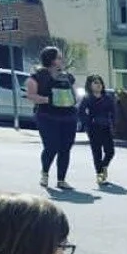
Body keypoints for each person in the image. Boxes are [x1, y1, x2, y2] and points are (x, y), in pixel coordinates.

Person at [25, 46, 77, 191]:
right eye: (59, 57)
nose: (62, 60)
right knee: (51, 146)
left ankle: (61, 180)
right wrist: (49, 99)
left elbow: (74, 93)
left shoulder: (67, 76)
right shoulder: (37, 76)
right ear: (51, 59)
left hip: (68, 116)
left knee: (65, 148)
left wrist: (73, 99)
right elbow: (30, 95)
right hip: (47, 116)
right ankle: (45, 173)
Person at [77, 74, 116, 187]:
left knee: (110, 151)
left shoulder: (107, 98)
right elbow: (81, 112)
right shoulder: (87, 98)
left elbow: (114, 111)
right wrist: (87, 122)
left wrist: (113, 122)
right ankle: (99, 174)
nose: (98, 85)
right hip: (93, 128)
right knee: (97, 152)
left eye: (100, 83)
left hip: (106, 126)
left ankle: (104, 166)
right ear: (90, 85)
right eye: (95, 83)